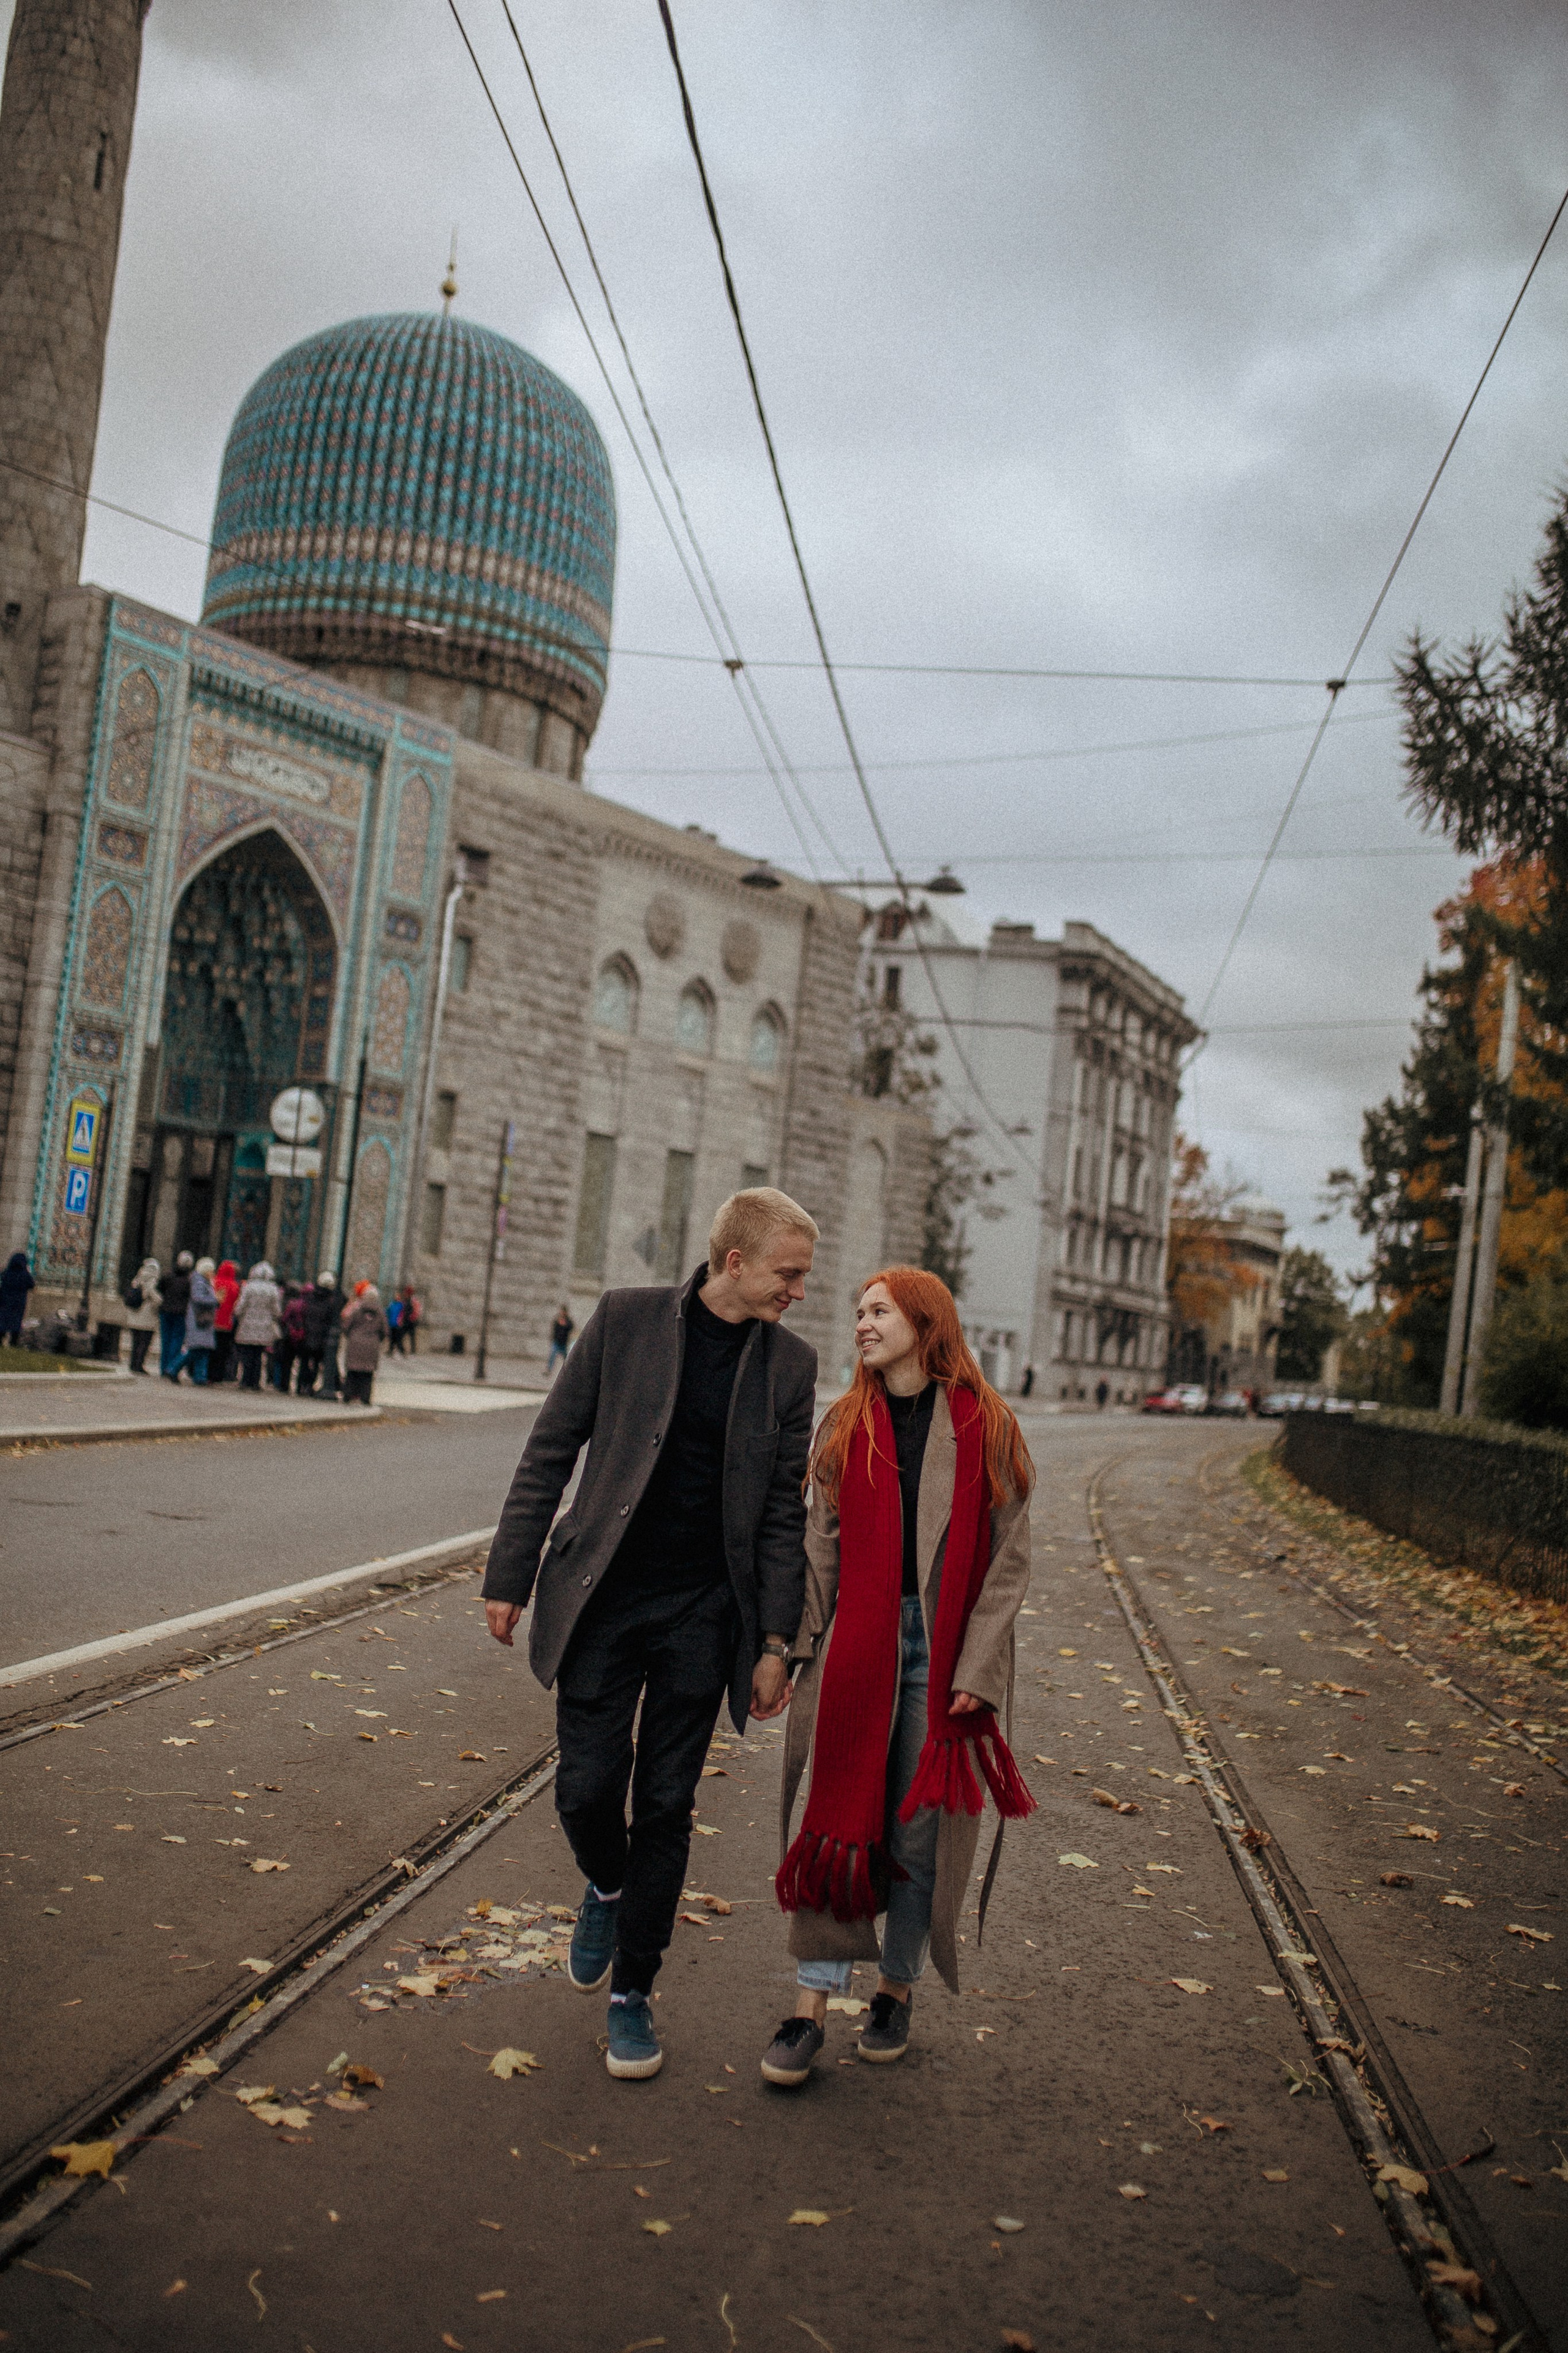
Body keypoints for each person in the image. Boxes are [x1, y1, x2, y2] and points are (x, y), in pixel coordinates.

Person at [481, 1186, 819, 2084]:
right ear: (735, 1260)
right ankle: (608, 1883)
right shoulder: (625, 1321)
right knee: (588, 1791)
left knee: (667, 1803)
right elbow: (552, 1447)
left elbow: (786, 1515)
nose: (799, 1292)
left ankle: (634, 1991)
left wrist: (775, 1642)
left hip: (705, 1617)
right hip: (603, 1597)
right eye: (789, 1274)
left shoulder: (790, 1367)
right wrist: (509, 1573)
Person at [760, 1265, 1035, 2089]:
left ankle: (894, 1988)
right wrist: (785, 1650)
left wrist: (980, 1670)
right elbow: (819, 1552)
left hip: (945, 1659)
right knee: (839, 1819)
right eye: (860, 1312)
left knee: (918, 1834)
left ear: (925, 1321)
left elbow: (1011, 1559)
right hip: (860, 1647)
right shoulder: (847, 1424)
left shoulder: (988, 1426)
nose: (864, 1325)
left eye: (879, 1311)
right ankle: (810, 2006)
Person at [167, 1257, 219, 1383]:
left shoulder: (204, 1282)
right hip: (198, 1320)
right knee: (195, 1349)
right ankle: (173, 1369)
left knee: (203, 1350)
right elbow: (198, 1298)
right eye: (211, 1271)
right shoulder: (199, 1282)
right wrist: (216, 1301)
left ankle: (200, 1377)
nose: (213, 1273)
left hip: (203, 1320)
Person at [233, 1261, 281, 1389]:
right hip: (264, 1325)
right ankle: (255, 1382)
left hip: (248, 1324)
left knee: (247, 1354)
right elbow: (276, 1310)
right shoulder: (273, 1289)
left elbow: (241, 1305)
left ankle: (245, 1380)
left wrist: (237, 1313)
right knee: (259, 1355)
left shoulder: (249, 1287)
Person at [340, 1280, 388, 1403]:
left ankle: (348, 1396)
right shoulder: (380, 1313)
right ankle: (365, 1398)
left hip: (355, 1343)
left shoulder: (357, 1309)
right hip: (372, 1345)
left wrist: (351, 1336)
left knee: (352, 1372)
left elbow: (347, 1326)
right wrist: (377, 1339)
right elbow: (385, 1330)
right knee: (368, 1375)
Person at [304, 1269, 344, 1397]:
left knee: (312, 1363)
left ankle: (307, 1386)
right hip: (324, 1336)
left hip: (311, 1334)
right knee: (326, 1362)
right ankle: (331, 1386)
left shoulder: (312, 1297)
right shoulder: (332, 1300)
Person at [157, 1252, 194, 1378]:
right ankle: (171, 1367)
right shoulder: (189, 1281)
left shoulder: (168, 1276)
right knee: (176, 1342)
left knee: (165, 1341)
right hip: (180, 1314)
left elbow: (160, 1289)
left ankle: (164, 1368)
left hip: (165, 1312)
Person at [122, 1256, 159, 1373]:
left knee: (135, 1343)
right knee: (144, 1344)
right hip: (146, 1318)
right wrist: (162, 1302)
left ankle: (133, 1364)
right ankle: (139, 1365)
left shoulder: (137, 1279)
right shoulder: (152, 1280)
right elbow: (155, 1298)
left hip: (134, 1317)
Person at [210, 1259, 241, 1384]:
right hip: (227, 1323)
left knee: (211, 1349)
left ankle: (208, 1373)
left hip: (213, 1321)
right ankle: (219, 1375)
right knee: (223, 1350)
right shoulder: (235, 1286)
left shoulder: (214, 1282)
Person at [276, 1282, 308, 1390]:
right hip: (304, 1336)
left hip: (290, 1335)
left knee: (287, 1362)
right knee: (304, 1363)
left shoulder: (292, 1304)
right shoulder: (308, 1305)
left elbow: (284, 1319)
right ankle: (300, 1387)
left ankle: (284, 1385)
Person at [0, 1250, 34, 1345]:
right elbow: (31, 1285)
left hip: (5, 1301)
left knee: (3, 1319)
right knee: (16, 1321)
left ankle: (1, 1337)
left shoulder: (7, 1273)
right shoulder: (25, 1275)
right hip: (18, 1303)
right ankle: (13, 1341)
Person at [388, 1282, 421, 1355]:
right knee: (401, 1336)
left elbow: (416, 1311)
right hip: (406, 1321)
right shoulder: (404, 1301)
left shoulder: (413, 1301)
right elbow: (402, 1311)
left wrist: (412, 1318)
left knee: (411, 1336)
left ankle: (411, 1351)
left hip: (411, 1322)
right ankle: (399, 1350)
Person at [547, 1304, 574, 1377]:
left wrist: (565, 1325)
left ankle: (569, 1371)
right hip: (557, 1342)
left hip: (563, 1343)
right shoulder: (558, 1320)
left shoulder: (568, 1321)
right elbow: (554, 1328)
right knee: (552, 1355)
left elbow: (571, 1327)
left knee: (566, 1358)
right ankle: (549, 1370)